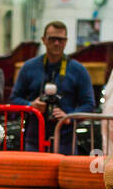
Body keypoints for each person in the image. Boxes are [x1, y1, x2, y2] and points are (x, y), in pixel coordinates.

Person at [10, 21, 95, 153]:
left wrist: (68, 116)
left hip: (66, 141)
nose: (56, 43)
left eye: (60, 39)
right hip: (34, 140)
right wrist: (31, 105)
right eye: (52, 39)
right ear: (44, 40)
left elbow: (89, 104)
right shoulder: (29, 67)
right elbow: (14, 99)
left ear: (66, 41)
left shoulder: (78, 70)